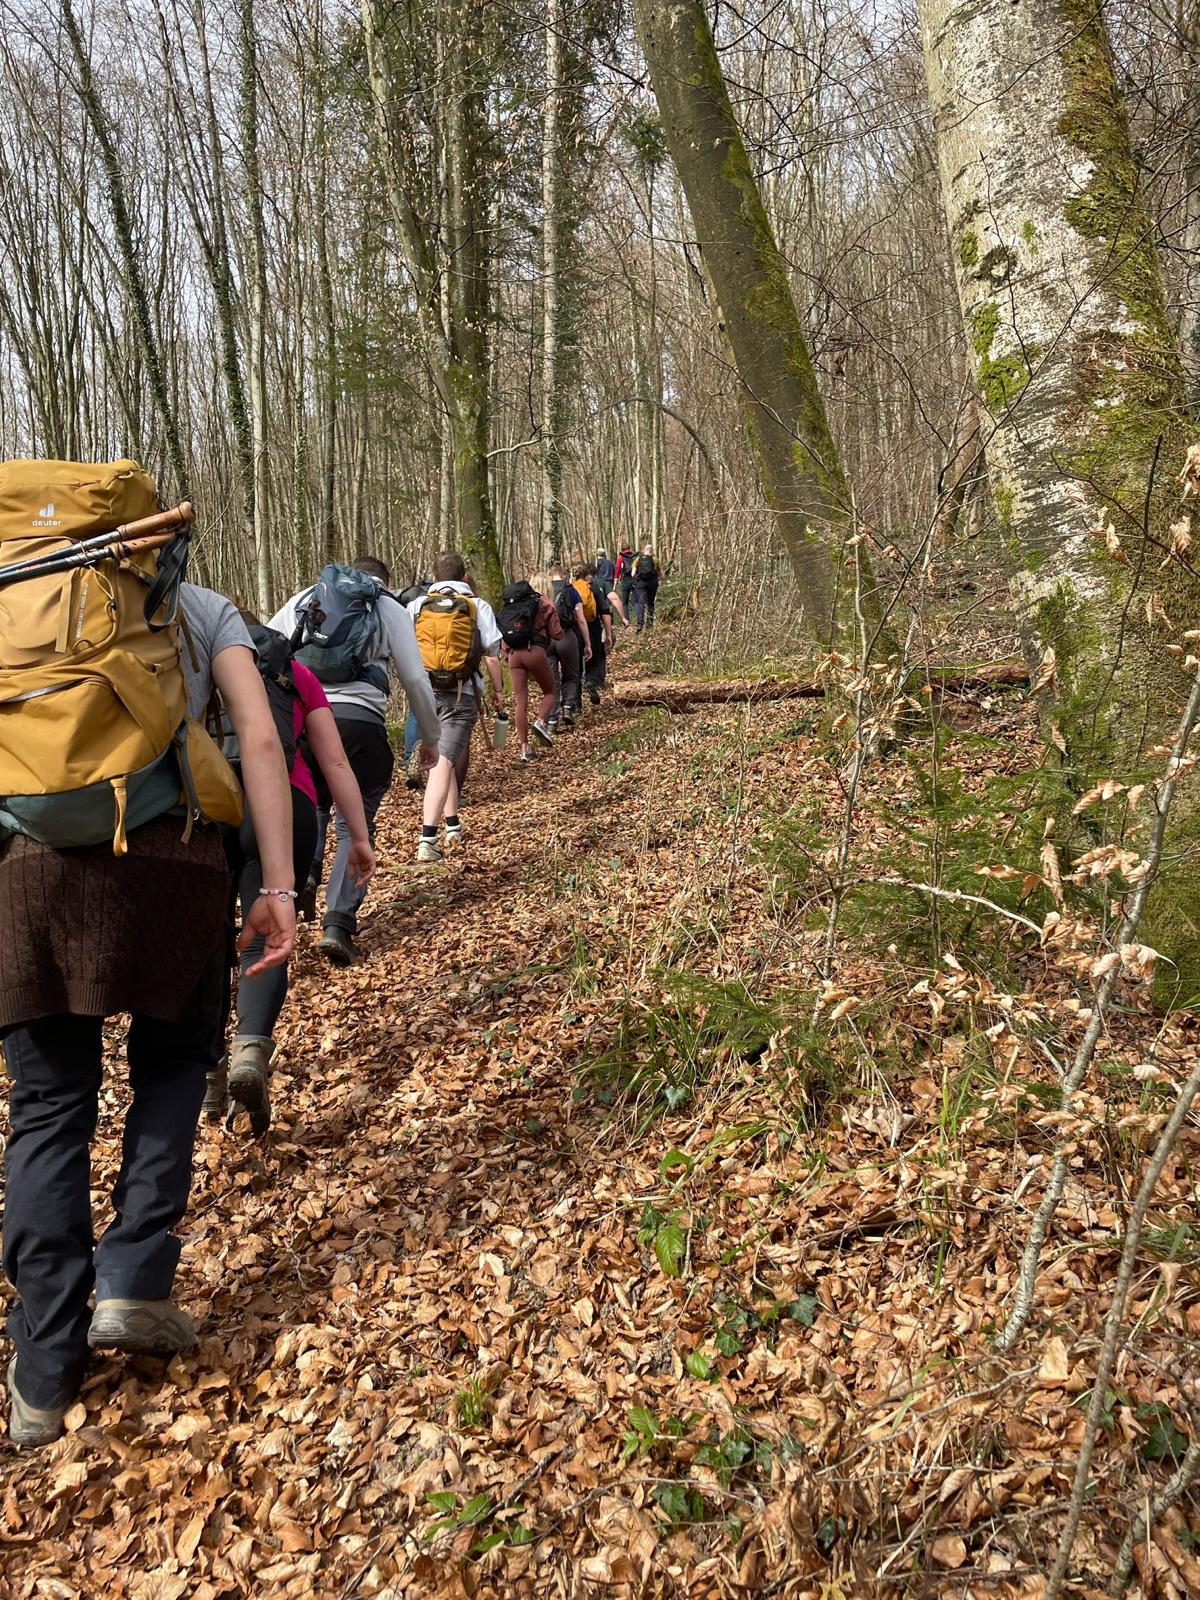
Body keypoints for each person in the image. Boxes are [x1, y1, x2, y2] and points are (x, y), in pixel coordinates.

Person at [1, 573, 296, 1448]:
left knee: (49, 1108)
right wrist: (276, 885)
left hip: (32, 874)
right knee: (171, 1067)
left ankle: (44, 1371)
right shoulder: (193, 605)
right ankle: (133, 1274)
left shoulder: (13, 597)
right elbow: (261, 741)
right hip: (178, 865)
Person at [204, 617, 377, 1136]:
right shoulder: (296, 674)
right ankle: (250, 1050)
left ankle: (209, 1064)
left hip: (206, 806)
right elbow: (335, 761)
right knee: (263, 940)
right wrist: (361, 837)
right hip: (286, 805)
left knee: (211, 941)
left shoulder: (193, 667)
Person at [269, 556, 439, 966]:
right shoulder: (388, 607)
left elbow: (266, 648)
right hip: (360, 725)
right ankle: (338, 923)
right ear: (382, 582)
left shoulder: (305, 599)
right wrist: (430, 739)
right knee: (354, 819)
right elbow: (415, 679)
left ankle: (306, 875)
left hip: (304, 722)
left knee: (311, 804)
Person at [410, 552, 505, 863]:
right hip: (461, 694)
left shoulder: (418, 605)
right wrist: (498, 692)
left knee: (444, 757)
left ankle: (452, 826)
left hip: (425, 692)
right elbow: (492, 652)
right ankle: (428, 837)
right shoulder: (477, 606)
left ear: (435, 580)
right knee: (444, 761)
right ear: (465, 576)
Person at [497, 579, 563, 762]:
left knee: (520, 702)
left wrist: (506, 653)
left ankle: (525, 748)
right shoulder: (545, 604)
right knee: (549, 691)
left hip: (513, 655)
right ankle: (541, 722)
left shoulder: (510, 608)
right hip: (534, 651)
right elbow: (557, 633)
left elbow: (504, 637)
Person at [547, 565, 590, 730]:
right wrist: (587, 643)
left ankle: (552, 719)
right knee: (571, 675)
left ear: (550, 576)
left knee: (552, 679)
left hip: (548, 640)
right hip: (567, 637)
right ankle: (567, 708)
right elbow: (580, 619)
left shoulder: (544, 591)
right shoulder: (571, 591)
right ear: (564, 575)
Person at [575, 562, 614, 706]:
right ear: (588, 576)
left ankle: (576, 704)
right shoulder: (593, 588)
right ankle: (590, 682)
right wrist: (608, 634)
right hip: (593, 628)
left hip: (574, 630)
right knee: (593, 660)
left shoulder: (570, 588)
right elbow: (605, 611)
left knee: (576, 666)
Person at [632, 541, 660, 630]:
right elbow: (662, 575)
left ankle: (640, 624)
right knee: (651, 603)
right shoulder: (656, 559)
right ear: (652, 550)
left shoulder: (638, 559)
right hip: (653, 583)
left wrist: (638, 579)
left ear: (644, 550)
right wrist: (656, 579)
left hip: (641, 583)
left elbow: (632, 574)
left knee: (641, 603)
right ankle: (650, 624)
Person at [615, 542, 638, 623]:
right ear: (629, 548)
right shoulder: (636, 556)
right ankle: (640, 621)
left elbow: (618, 569)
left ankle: (627, 622)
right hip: (635, 580)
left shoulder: (621, 557)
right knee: (636, 602)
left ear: (622, 549)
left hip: (625, 581)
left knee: (625, 602)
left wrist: (616, 582)